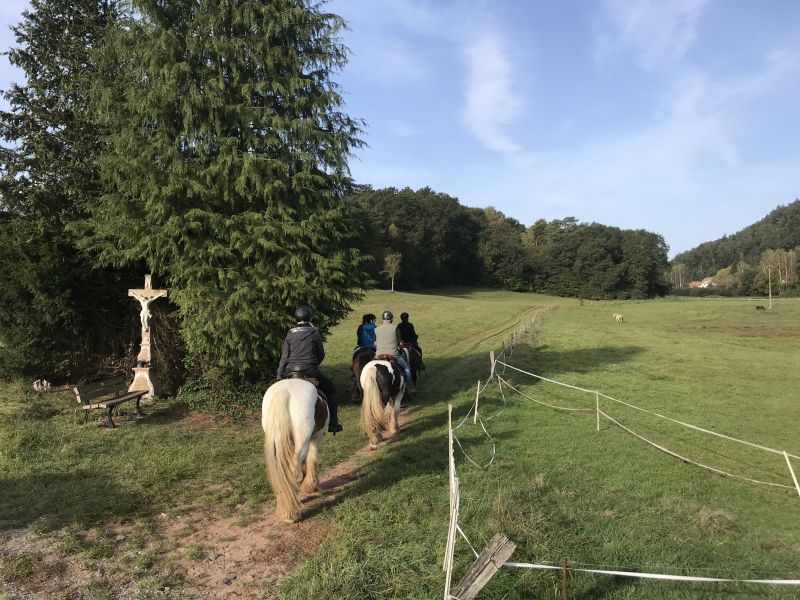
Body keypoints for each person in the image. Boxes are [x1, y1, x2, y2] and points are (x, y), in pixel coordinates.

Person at [277, 306, 343, 434]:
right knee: (331, 389)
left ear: (296, 318)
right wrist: (314, 364)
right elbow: (321, 354)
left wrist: (279, 375)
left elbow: (284, 356)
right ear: (309, 317)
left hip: (290, 371)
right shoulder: (314, 333)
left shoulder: (290, 333)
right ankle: (334, 422)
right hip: (310, 370)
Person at [373, 310, 415, 393]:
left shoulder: (376, 329)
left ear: (383, 319)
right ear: (391, 319)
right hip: (393, 354)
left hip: (378, 355)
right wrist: (401, 347)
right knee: (406, 367)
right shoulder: (395, 328)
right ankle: (410, 388)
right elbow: (401, 343)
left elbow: (375, 343)